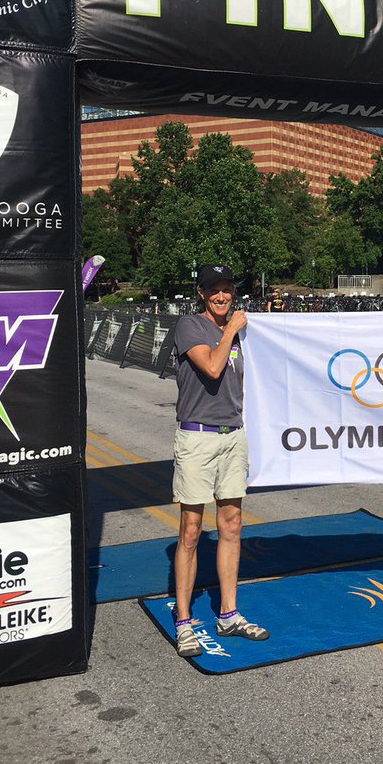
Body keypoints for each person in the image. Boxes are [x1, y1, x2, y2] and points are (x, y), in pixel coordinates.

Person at [171, 264, 269, 656]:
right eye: (215, 290)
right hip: (197, 438)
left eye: (227, 290)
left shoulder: (243, 333)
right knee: (191, 530)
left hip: (233, 435)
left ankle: (228, 613)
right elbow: (211, 368)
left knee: (231, 524)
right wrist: (231, 330)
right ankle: (183, 620)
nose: (222, 296)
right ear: (201, 293)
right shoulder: (190, 326)